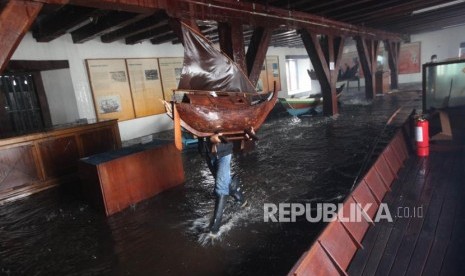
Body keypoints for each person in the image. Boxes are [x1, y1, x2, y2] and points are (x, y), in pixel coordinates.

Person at [198, 131, 251, 235]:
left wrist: (246, 132)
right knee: (224, 181)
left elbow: (234, 121)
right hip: (207, 150)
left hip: (223, 149)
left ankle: (214, 228)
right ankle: (239, 197)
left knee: (221, 186)